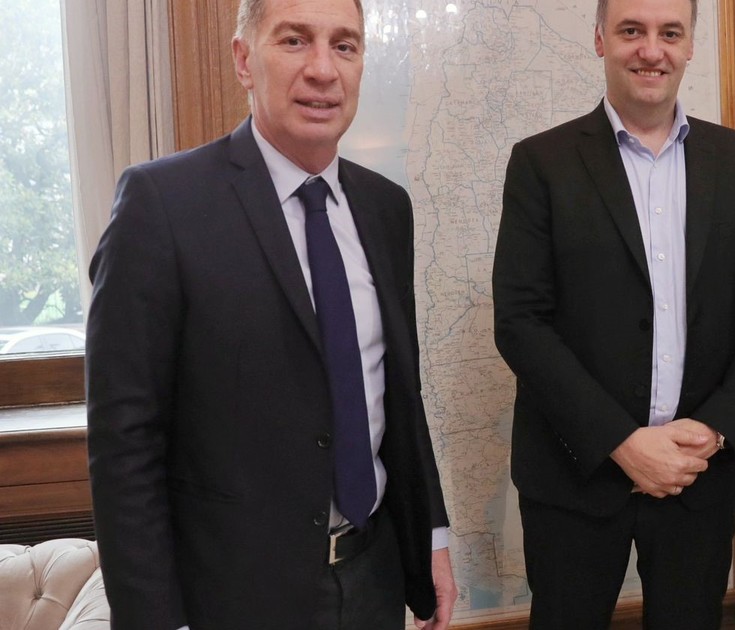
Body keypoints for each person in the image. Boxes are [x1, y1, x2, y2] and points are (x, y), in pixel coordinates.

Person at [86, 0, 457, 628]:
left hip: (373, 575)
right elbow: (125, 441)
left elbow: (396, 394)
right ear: (243, 60)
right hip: (234, 595)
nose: (323, 70)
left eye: (344, 45)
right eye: (294, 41)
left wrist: (432, 537)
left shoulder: (386, 208)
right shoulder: (163, 205)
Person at [492, 0, 735, 627]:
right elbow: (520, 321)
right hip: (573, 478)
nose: (651, 50)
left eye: (669, 33)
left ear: (690, 46)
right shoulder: (541, 163)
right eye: (631, 30)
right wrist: (622, 443)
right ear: (601, 39)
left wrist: (713, 431)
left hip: (697, 476)